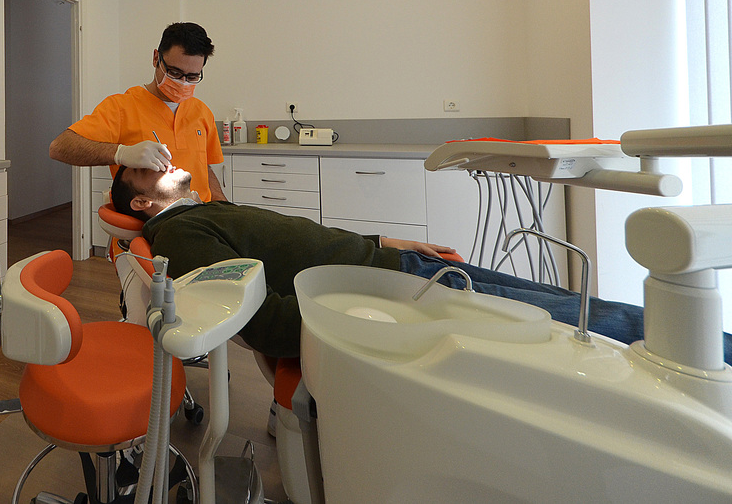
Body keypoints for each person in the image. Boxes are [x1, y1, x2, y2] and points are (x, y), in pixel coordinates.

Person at [109, 164, 732, 365]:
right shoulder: (180, 232)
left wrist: (391, 244)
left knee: (570, 302)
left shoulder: (205, 211)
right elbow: (258, 319)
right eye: (152, 166)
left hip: (399, 267)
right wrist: (377, 308)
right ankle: (712, 360)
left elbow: (309, 242)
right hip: (398, 290)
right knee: (590, 322)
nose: (168, 158)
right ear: (141, 203)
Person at [49, 22, 227, 201]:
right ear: (156, 58)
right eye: (174, 72)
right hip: (152, 215)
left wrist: (222, 205)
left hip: (200, 212)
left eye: (192, 76)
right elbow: (59, 148)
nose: (183, 82)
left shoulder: (202, 112)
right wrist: (121, 153)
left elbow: (204, 168)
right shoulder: (121, 107)